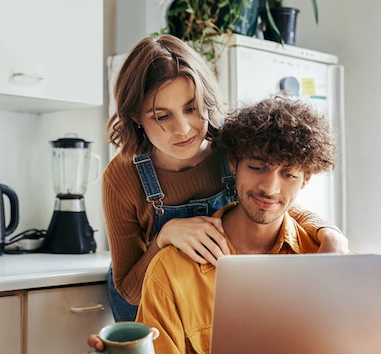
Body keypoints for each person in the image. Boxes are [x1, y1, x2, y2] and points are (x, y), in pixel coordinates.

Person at [82, 96, 341, 354]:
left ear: (306, 179)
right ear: (234, 164)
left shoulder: (329, 256)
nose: (270, 187)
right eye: (257, 167)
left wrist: (329, 232)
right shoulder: (167, 268)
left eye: (289, 174)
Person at [102, 34, 348, 323]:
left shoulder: (229, 148)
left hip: (215, 296)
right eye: (161, 116)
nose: (183, 129)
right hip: (151, 304)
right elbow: (129, 290)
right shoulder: (121, 178)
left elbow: (271, 199)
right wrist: (165, 237)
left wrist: (328, 232)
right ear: (135, 117)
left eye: (191, 108)